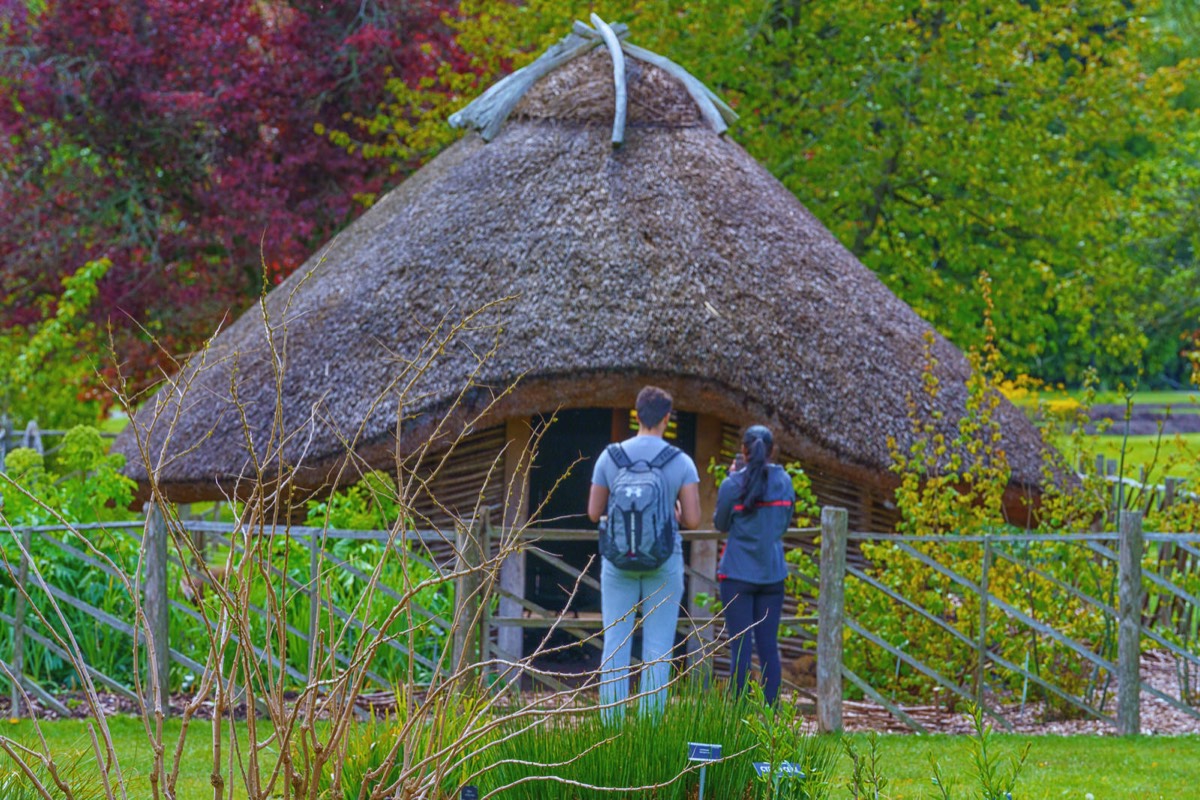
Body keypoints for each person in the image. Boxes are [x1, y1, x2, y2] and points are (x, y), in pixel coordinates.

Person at [587, 386, 701, 719]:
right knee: (658, 649)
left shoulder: (611, 457)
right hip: (664, 562)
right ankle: (649, 731)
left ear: (636, 414)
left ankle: (611, 728)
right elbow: (693, 519)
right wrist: (674, 511)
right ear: (667, 418)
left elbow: (594, 512)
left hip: (618, 562)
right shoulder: (680, 461)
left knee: (615, 645)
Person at [713, 424, 795, 705]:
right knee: (768, 646)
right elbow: (783, 524)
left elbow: (720, 524)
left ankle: (738, 714)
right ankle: (771, 717)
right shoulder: (784, 482)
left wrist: (732, 478)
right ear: (772, 451)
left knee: (741, 647)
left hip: (736, 573)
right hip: (772, 573)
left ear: (743, 451)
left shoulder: (732, 485)